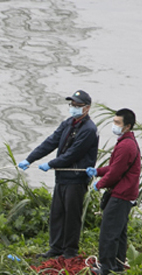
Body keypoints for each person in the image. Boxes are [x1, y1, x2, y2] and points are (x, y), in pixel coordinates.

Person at [18, 90, 99, 259]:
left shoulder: (89, 130)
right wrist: (30, 159)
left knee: (71, 214)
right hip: (61, 177)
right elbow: (50, 142)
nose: (74, 108)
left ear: (87, 108)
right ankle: (55, 248)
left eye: (78, 106)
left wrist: (51, 164)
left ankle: (69, 250)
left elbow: (74, 153)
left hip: (75, 178)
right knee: (57, 212)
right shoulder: (68, 123)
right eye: (72, 105)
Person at [86, 108, 141, 275]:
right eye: (114, 121)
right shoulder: (126, 142)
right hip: (125, 193)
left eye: (118, 123)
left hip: (121, 194)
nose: (114, 125)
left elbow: (116, 173)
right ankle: (117, 265)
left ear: (128, 126)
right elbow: (115, 167)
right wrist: (98, 171)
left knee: (109, 231)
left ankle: (106, 268)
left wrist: (99, 184)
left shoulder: (126, 145)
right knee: (119, 232)